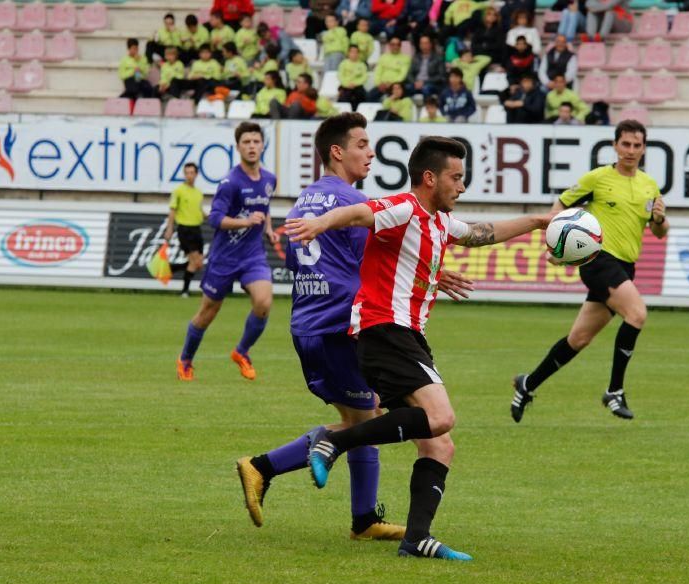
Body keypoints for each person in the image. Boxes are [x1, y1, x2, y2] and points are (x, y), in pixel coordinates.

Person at [284, 136, 551, 561]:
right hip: (384, 330)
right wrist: (321, 223)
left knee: (440, 444)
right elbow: (360, 213)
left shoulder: (441, 222)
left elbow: (485, 233)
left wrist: (538, 222)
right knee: (441, 418)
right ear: (430, 177)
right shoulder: (405, 207)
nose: (462, 187)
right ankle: (333, 442)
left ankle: (416, 539)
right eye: (456, 177)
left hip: (405, 337)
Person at [236, 114, 473, 538]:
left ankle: (364, 519)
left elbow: (298, 261)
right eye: (363, 144)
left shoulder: (304, 201)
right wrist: (432, 274)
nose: (372, 152)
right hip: (344, 326)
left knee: (367, 416)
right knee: (378, 423)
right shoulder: (351, 206)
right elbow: (385, 264)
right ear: (337, 152)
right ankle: (262, 466)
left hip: (307, 323)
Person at [510, 120, 668, 422]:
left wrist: (659, 219)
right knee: (637, 314)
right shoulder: (597, 178)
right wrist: (557, 246)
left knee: (579, 339)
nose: (631, 151)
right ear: (615, 146)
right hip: (598, 261)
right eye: (625, 144)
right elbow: (560, 205)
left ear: (644, 148)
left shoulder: (650, 185)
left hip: (625, 266)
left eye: (637, 145)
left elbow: (660, 232)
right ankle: (615, 391)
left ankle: (527, 384)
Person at [176, 122, 278, 382]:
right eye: (246, 142)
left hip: (253, 255)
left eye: (256, 141)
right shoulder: (230, 183)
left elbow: (263, 208)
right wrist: (245, 222)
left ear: (262, 145)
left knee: (264, 302)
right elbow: (215, 219)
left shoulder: (269, 179)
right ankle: (186, 359)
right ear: (238, 147)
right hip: (224, 257)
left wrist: (268, 229)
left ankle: (242, 352)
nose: (252, 146)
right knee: (207, 313)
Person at [164, 162, 206, 298]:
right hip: (184, 229)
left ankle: (172, 267)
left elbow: (199, 210)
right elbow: (172, 210)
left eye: (192, 173)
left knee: (198, 263)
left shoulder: (199, 193)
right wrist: (169, 229)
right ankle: (185, 291)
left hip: (197, 228)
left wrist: (210, 216)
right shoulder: (178, 191)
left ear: (196, 174)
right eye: (187, 173)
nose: (189, 176)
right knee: (194, 261)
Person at [368, 36, 411, 101]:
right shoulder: (383, 57)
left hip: (397, 86)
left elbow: (403, 74)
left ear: (400, 46)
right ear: (389, 45)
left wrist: (391, 83)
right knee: (369, 96)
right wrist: (379, 84)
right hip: (382, 85)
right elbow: (378, 72)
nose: (395, 47)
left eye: (397, 44)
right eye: (393, 44)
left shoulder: (406, 58)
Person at [338, 45, 369, 109]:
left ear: (358, 54)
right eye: (352, 52)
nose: (354, 54)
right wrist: (347, 84)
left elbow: (364, 77)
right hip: (345, 86)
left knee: (363, 95)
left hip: (358, 87)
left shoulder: (362, 65)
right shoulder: (343, 64)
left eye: (356, 52)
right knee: (344, 96)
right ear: (348, 53)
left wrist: (355, 83)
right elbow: (340, 76)